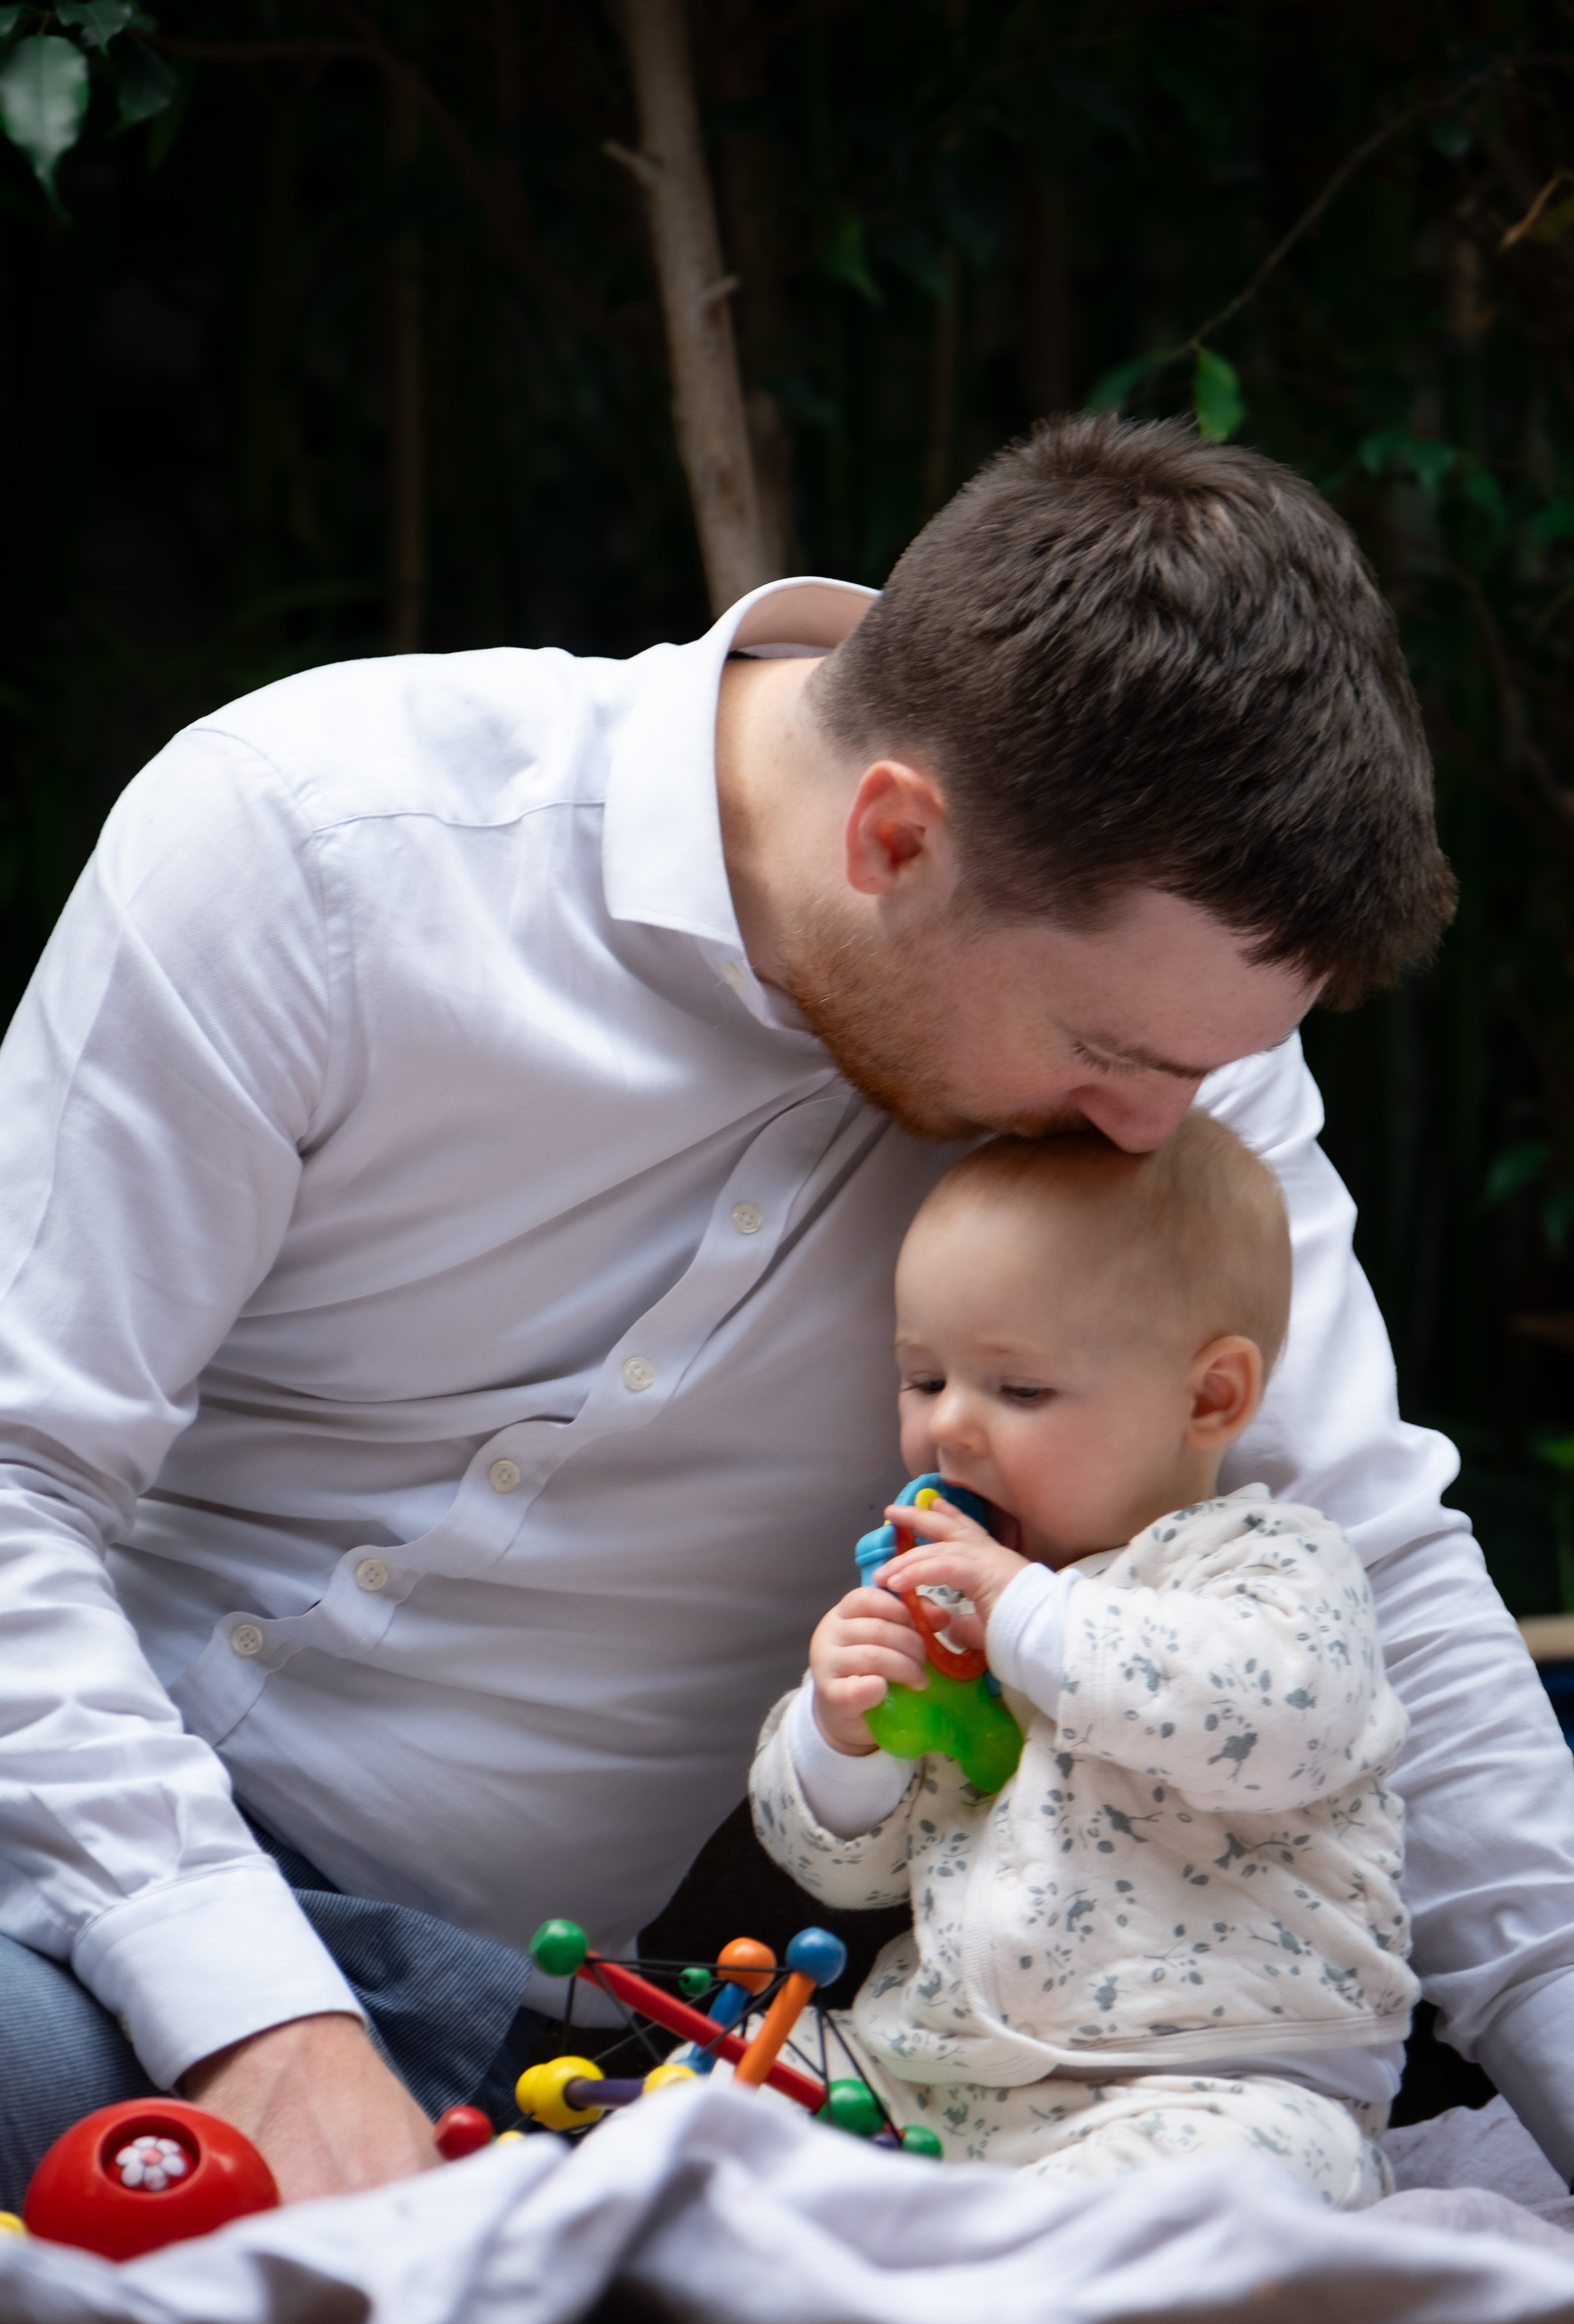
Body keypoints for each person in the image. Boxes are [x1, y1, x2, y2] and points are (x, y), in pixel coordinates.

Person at [0, 414, 1570, 2207]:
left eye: (1193, 1071)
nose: (1154, 1129)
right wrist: (262, 2025)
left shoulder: (1174, 1053)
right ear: (896, 836)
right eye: (1106, 1053)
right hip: (66, 1887)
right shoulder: (315, 844)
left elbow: (1380, 1581)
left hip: (559, 2028)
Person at [751, 1115, 1415, 2207]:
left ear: (1210, 1397)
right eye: (925, 1379)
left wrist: (1029, 1614)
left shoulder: (1267, 1563)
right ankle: (908, 2247)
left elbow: (1276, 1725)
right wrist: (840, 1738)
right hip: (940, 2079)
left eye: (1020, 1391)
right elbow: (847, 1874)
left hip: (1213, 2080)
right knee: (729, 2088)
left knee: (1250, 2178)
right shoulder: (951, 1608)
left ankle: (976, 2260)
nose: (952, 1430)